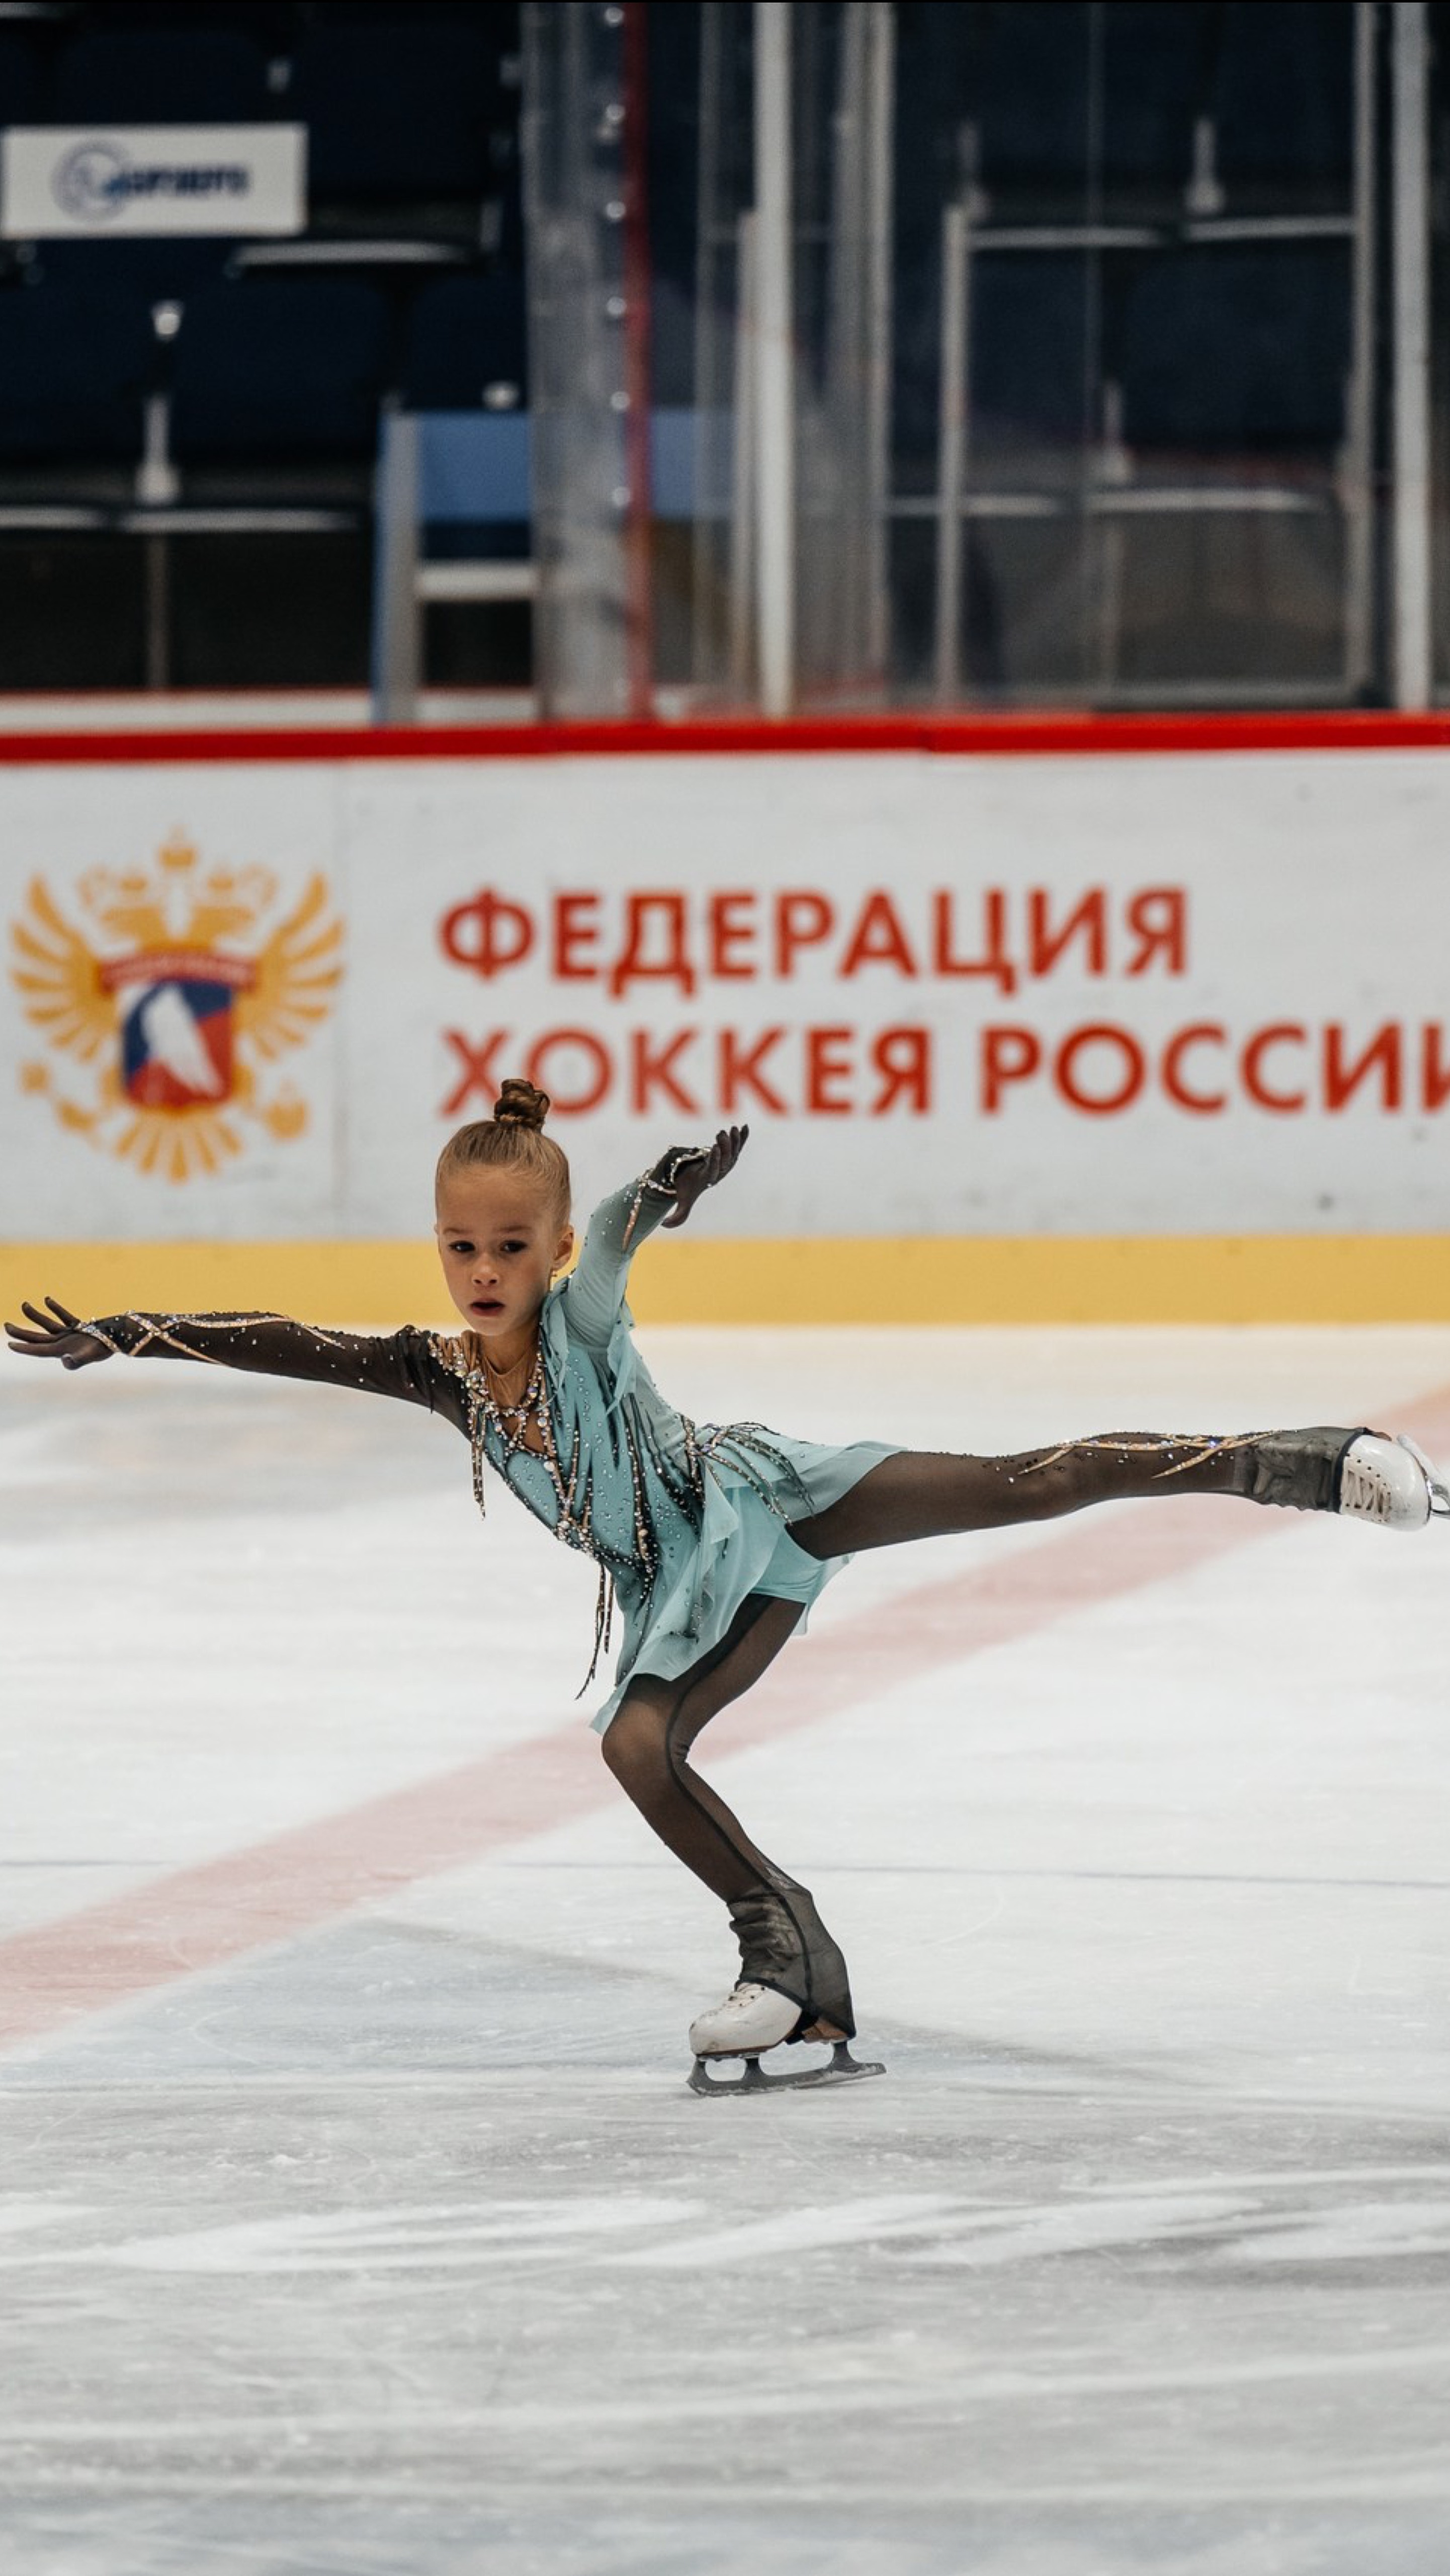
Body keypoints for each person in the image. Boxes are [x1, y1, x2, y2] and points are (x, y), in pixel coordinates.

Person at [8, 1078, 1447, 2095]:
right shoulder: (437, 1373)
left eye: (514, 1243)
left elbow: (622, 1239)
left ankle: (1298, 1462)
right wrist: (133, 1332)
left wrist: (653, 1194)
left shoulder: (578, 1306)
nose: (484, 1269)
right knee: (641, 1739)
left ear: (554, 1248)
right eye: (462, 1244)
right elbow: (294, 1340)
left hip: (748, 1503)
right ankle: (795, 1955)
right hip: (704, 1558)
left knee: (1010, 1485)